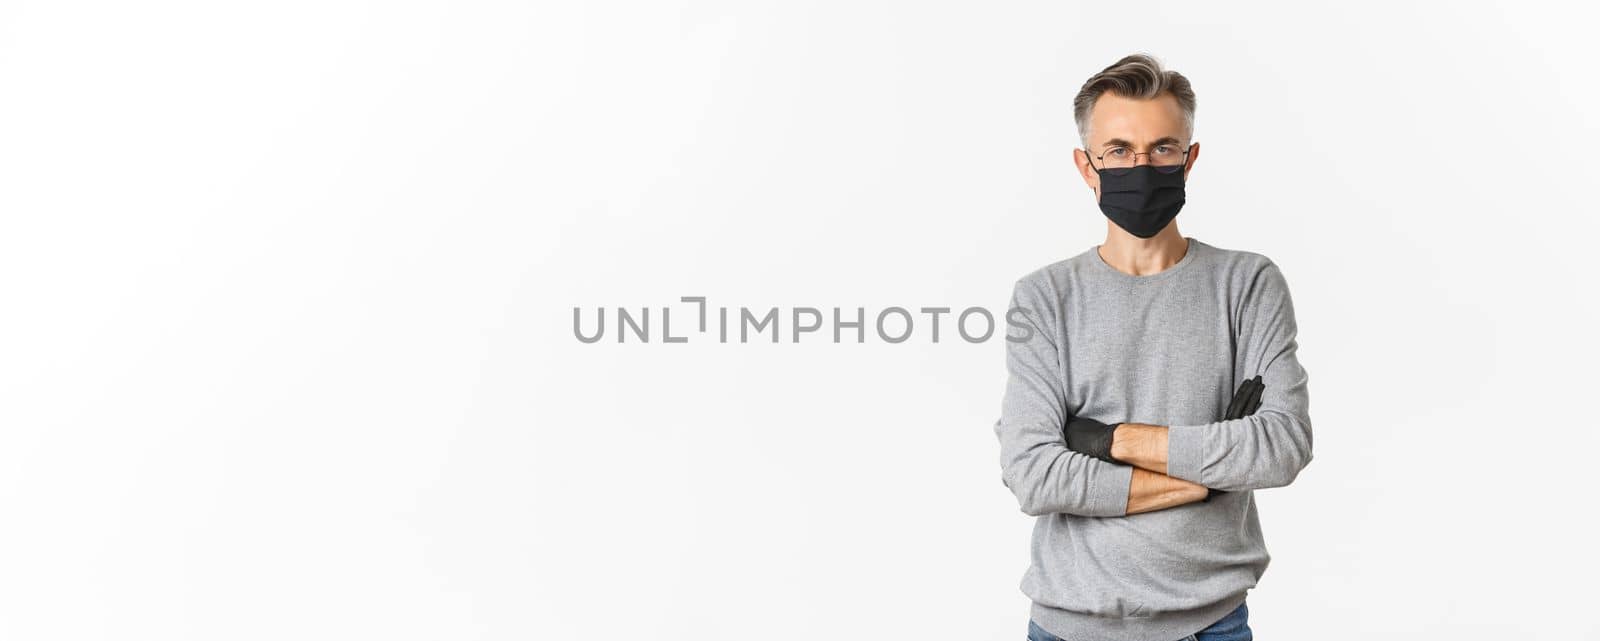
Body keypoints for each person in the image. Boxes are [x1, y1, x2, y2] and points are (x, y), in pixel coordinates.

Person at [993, 53, 1314, 641]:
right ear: (1086, 168)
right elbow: (1034, 473)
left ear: (1189, 161)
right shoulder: (1044, 298)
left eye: (1162, 149)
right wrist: (1197, 477)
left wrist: (1106, 439)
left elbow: (1281, 446)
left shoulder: (1247, 284)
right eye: (1117, 151)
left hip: (1212, 621)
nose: (1140, 166)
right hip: (1070, 624)